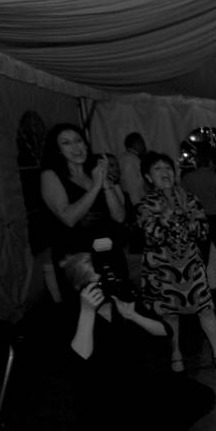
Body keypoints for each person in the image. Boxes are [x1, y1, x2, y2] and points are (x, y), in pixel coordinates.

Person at [59, 251, 215, 431]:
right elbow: (79, 363)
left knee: (202, 397)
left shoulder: (118, 299)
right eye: (95, 281)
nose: (103, 285)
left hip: (135, 383)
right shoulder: (72, 313)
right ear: (80, 286)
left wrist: (133, 316)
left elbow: (166, 332)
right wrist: (87, 313)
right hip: (103, 398)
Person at [136, 152, 216, 374]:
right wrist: (167, 218)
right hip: (162, 268)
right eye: (157, 169)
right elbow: (151, 237)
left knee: (206, 309)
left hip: (190, 265)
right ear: (148, 177)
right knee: (170, 313)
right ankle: (175, 354)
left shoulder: (190, 198)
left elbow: (203, 231)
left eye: (167, 168)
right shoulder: (145, 204)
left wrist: (185, 218)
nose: (164, 172)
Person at [40, 123, 127, 304]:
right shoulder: (51, 175)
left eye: (78, 140)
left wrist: (104, 184)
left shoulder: (94, 173)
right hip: (79, 261)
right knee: (92, 314)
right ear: (57, 150)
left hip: (110, 253)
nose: (76, 147)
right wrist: (95, 187)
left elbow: (119, 216)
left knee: (122, 309)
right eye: (66, 143)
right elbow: (69, 218)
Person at [118, 131, 148, 210]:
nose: (144, 146)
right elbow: (132, 185)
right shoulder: (130, 159)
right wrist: (138, 205)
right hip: (135, 202)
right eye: (142, 142)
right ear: (136, 144)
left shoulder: (127, 157)